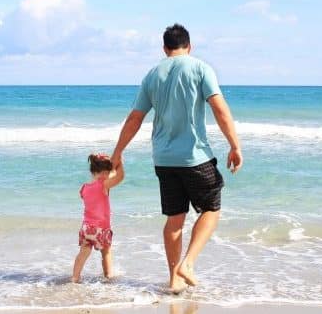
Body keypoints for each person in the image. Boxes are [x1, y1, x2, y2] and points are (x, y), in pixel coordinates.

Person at [110, 23, 243, 293]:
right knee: (211, 209)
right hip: (194, 157)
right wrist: (235, 145)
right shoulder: (200, 68)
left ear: (165, 48)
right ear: (189, 46)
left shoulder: (152, 75)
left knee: (174, 219)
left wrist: (118, 151)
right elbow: (219, 108)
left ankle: (174, 280)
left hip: (163, 159)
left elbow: (136, 117)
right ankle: (188, 264)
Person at [71, 153, 125, 283]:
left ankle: (75, 277)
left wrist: (110, 168)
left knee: (83, 252)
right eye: (107, 172)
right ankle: (108, 276)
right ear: (106, 172)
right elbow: (120, 177)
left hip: (86, 228)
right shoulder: (104, 185)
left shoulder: (84, 188)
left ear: (92, 171)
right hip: (101, 228)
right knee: (106, 252)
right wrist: (120, 162)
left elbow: (104, 179)